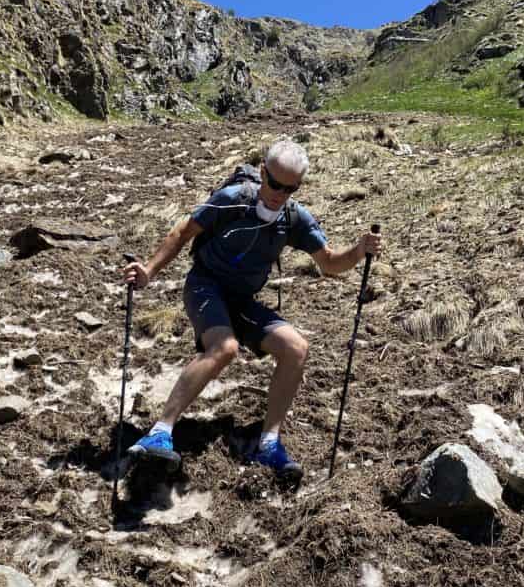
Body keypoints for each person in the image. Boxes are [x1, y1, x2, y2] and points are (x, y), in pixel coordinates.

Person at [122, 138, 382, 479]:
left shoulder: (294, 218)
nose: (278, 193)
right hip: (205, 285)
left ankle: (269, 444)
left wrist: (360, 249)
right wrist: (149, 271)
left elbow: (331, 264)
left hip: (241, 300)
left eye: (289, 188)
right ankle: (159, 432)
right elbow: (183, 231)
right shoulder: (232, 200)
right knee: (225, 347)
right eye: (274, 183)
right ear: (262, 173)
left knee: (296, 348)